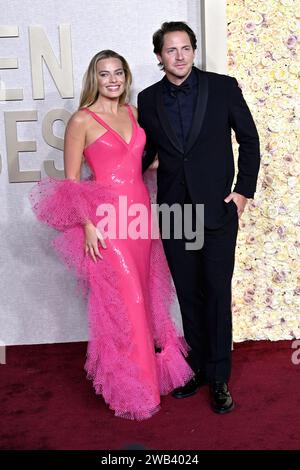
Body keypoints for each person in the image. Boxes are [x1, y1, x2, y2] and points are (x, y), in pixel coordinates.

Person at [30, 50, 193, 420]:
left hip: (138, 217)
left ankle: (148, 381)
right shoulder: (81, 121)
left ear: (126, 76)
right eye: (105, 74)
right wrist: (88, 225)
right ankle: (133, 391)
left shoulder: (133, 115)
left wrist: (187, 159)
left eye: (118, 73)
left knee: (146, 298)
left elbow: (142, 164)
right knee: (126, 304)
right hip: (105, 223)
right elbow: (71, 184)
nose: (113, 80)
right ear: (95, 79)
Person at [138, 22, 260, 414]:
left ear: (193, 50)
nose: (180, 55)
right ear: (159, 56)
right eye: (171, 50)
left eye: (186, 48)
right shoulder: (147, 98)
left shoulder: (223, 87)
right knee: (189, 295)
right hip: (174, 212)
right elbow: (146, 151)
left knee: (217, 294)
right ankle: (198, 369)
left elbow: (250, 139)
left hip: (217, 210)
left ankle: (219, 376)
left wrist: (243, 193)